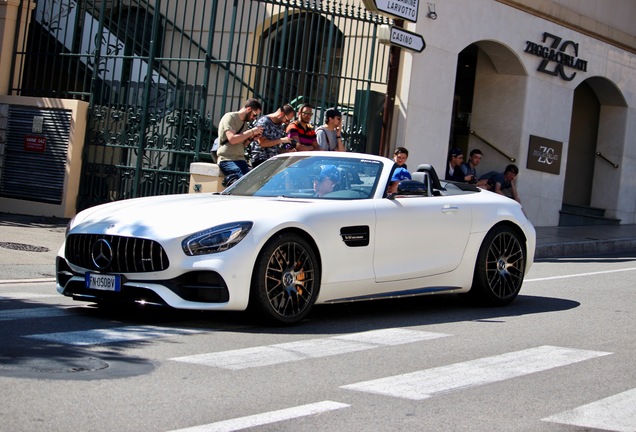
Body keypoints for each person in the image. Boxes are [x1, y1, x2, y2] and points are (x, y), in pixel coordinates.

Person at [216, 98, 264, 185]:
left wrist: (251, 138)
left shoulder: (244, 124)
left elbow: (242, 144)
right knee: (241, 182)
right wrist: (252, 131)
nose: (254, 118)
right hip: (227, 159)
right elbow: (232, 139)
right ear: (249, 109)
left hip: (240, 159)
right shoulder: (230, 117)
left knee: (252, 181)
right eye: (254, 115)